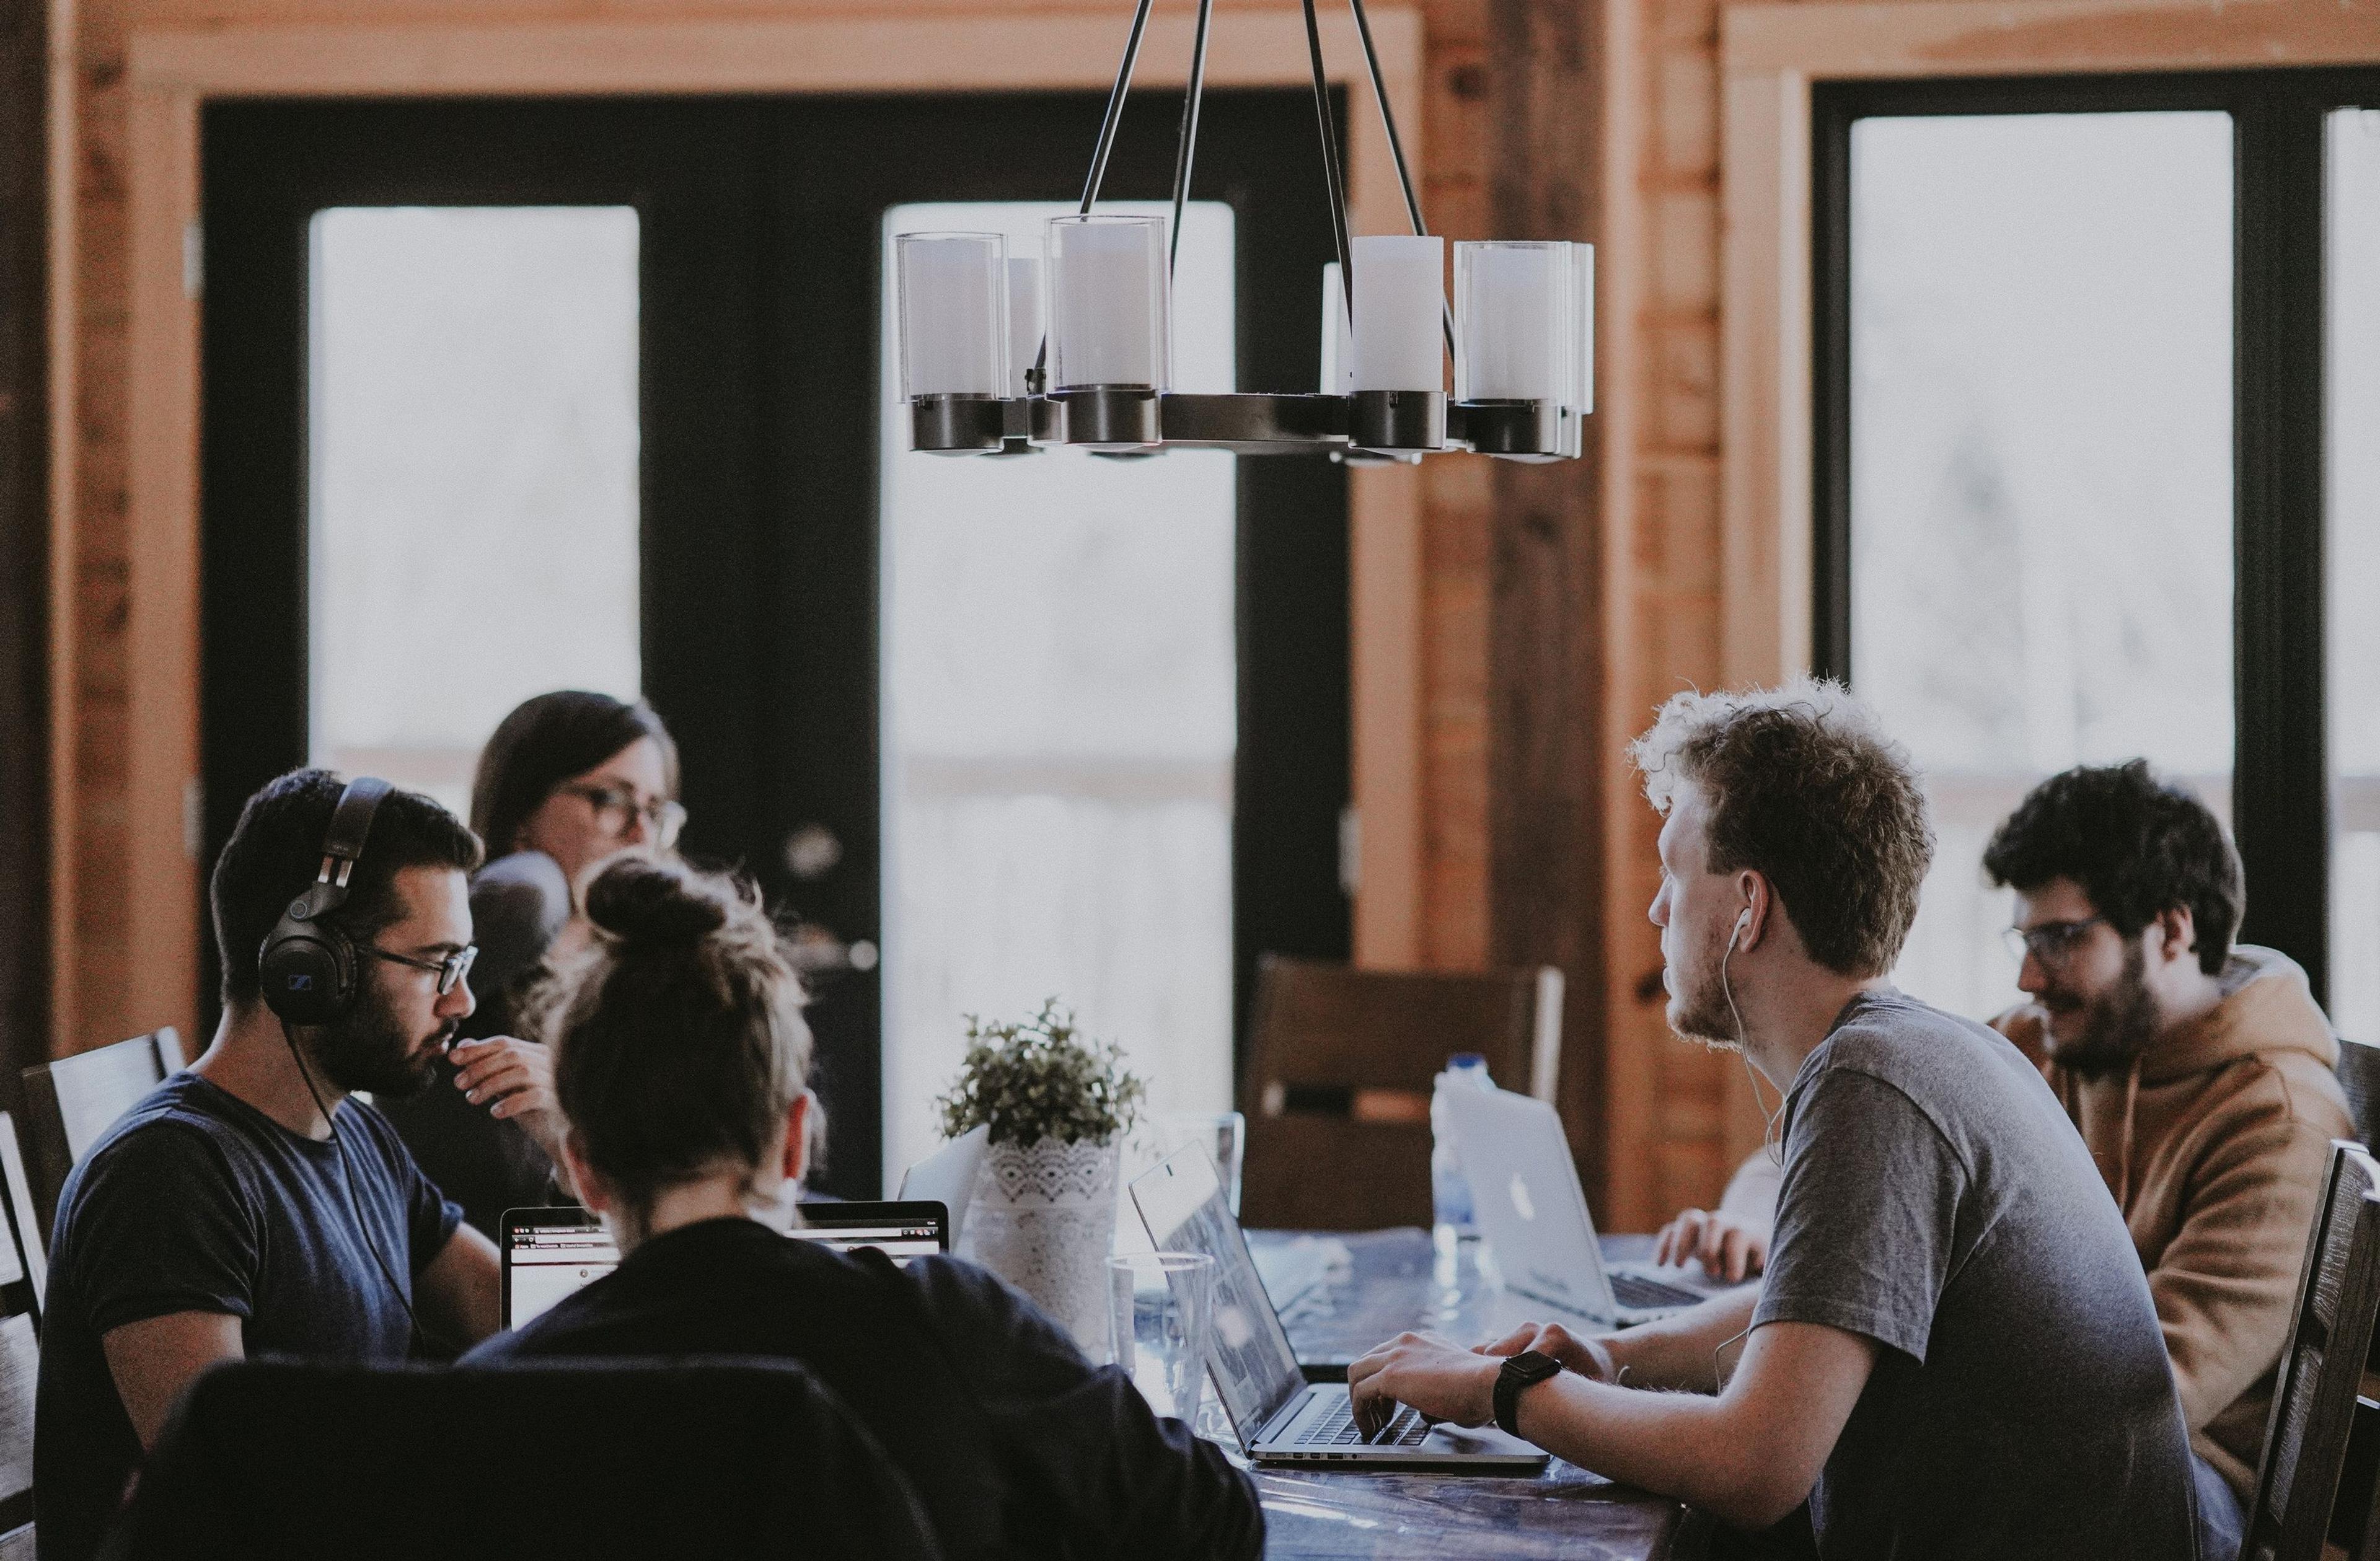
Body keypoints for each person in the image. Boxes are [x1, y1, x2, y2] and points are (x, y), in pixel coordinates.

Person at [1347, 682, 2198, 1559]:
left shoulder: (1872, 1083)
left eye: (1674, 871)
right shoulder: (1925, 1051)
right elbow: (1820, 1301)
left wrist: (1500, 1388)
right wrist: (1611, 1355)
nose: (1658, 908)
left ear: (1749, 905)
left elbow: (1755, 1463)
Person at [462, 854, 1264, 1561]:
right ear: (795, 1138)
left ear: (583, 1168)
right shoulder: (947, 1324)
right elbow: (1216, 1521)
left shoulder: (491, 1399)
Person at [1652, 760, 2349, 1555]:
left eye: (2060, 938)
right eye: (2024, 937)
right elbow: (1848, 1146)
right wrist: (1750, 1221)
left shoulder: (2280, 1116)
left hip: (2184, 1492)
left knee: (1759, 1476)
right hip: (2039, 1444)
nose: (2027, 974)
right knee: (1726, 1489)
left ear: (2172, 929)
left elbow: (2146, 1393)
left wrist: (1820, 1366)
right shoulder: (2039, 1039)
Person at [34, 770, 560, 1561]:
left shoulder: (358, 1137)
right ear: (308, 965)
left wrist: (575, 1139)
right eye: (436, 964)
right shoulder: (168, 1174)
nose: (461, 1003)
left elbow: (544, 1327)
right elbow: (229, 1504)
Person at [380, 690, 682, 1239]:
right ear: (523, 810)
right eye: (612, 799)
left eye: (657, 811)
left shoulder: (646, 969)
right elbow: (521, 894)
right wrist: (538, 873)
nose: (641, 833)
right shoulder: (492, 936)